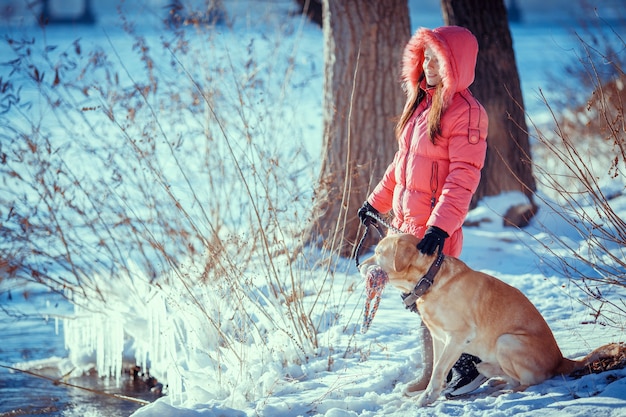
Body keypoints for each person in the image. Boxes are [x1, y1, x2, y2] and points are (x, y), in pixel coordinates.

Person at [358, 26, 488, 397]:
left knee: (435, 300)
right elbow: (400, 167)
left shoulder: (467, 114)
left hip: (433, 230)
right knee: (421, 303)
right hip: (407, 226)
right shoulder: (422, 106)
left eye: (436, 57)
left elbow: (463, 179)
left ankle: (468, 365)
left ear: (455, 63)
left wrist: (440, 228)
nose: (427, 63)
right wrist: (375, 202)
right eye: (425, 56)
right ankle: (436, 371)